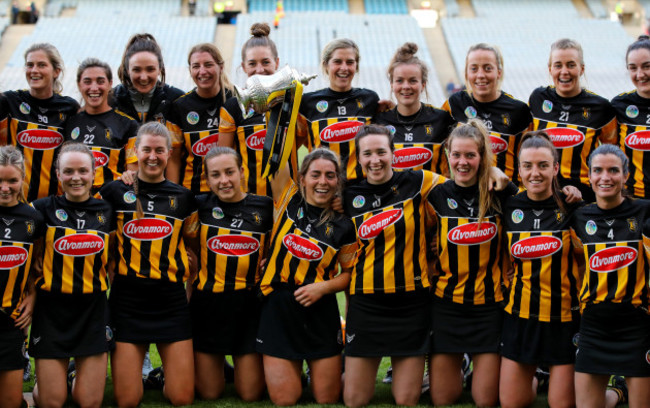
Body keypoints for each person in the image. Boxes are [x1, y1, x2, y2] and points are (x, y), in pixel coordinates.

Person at [98, 122, 197, 407]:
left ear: (168, 153)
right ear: (134, 152)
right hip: (127, 300)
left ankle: (160, 377)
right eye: (146, 150)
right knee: (127, 401)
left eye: (159, 150)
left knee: (181, 398)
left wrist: (190, 282)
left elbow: (193, 248)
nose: (152, 157)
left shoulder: (183, 197)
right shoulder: (113, 192)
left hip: (171, 300)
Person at [256, 148, 357, 405]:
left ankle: (337, 360)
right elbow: (278, 144)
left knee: (326, 398)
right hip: (279, 307)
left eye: (330, 176)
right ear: (302, 178)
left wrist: (322, 288)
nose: (323, 181)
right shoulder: (288, 197)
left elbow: (348, 275)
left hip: (319, 307)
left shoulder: (345, 225)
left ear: (338, 181)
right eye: (316, 175)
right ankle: (293, 371)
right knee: (285, 399)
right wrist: (280, 107)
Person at [427, 120, 517, 407]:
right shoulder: (435, 195)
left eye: (471, 155)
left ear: (483, 157)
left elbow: (536, 206)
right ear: (447, 155)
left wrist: (504, 178)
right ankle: (461, 364)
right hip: (446, 305)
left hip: (489, 307)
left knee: (484, 400)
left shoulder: (501, 194)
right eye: (456, 155)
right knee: (443, 398)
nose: (462, 162)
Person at [499, 131, 582, 408]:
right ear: (518, 169)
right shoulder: (507, 204)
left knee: (562, 404)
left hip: (563, 319)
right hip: (520, 316)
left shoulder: (573, 208)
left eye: (543, 165)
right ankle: (538, 375)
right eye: (528, 166)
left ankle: (615, 389)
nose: (535, 173)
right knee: (512, 402)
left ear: (556, 168)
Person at [30, 142, 113, 408]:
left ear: (94, 172)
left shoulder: (108, 211)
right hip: (52, 310)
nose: (76, 177)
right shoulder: (39, 209)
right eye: (68, 171)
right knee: (52, 403)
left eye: (82, 170)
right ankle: (46, 382)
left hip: (92, 310)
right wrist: (31, 294)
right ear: (57, 174)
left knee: (88, 403)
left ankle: (75, 372)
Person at [186, 146, 271, 401]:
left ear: (242, 172)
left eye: (229, 172)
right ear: (207, 179)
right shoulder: (197, 205)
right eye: (216, 175)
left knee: (250, 393)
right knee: (210, 393)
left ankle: (250, 367)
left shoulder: (265, 207)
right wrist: (129, 179)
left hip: (249, 305)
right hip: (208, 305)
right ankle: (219, 366)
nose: (224, 180)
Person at [571, 144, 650, 408]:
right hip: (594, 323)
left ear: (625, 176)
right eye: (598, 171)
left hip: (636, 322)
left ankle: (623, 389)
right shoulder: (579, 215)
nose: (606, 177)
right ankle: (617, 392)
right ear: (589, 176)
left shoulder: (644, 211)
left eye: (614, 170)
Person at [529, 38, 617, 202]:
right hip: (542, 194)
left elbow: (612, 156)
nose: (564, 71)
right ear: (550, 69)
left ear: (581, 68)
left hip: (584, 198)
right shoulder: (537, 99)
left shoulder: (601, 108)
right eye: (558, 65)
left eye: (571, 65)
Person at [0, 43, 80, 202]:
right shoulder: (9, 102)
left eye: (41, 65)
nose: (34, 70)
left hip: (54, 204)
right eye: (30, 65)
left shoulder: (69, 108)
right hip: (13, 201)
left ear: (56, 71)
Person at [443, 43, 532, 183]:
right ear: (466, 73)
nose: (480, 75)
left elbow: (531, 158)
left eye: (488, 68)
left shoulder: (518, 110)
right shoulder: (454, 104)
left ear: (499, 72)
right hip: (466, 198)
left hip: (506, 197)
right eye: (474, 69)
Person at [298, 38, 380, 182]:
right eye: (337, 62)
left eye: (350, 62)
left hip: (363, 190)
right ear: (326, 65)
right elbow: (297, 141)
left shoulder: (370, 99)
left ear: (357, 66)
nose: (344, 68)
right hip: (324, 188)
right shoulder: (307, 102)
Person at [0, 146, 44, 408]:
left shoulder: (33, 218)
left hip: (11, 321)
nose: (5, 187)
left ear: (23, 179)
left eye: (12, 180)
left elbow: (36, 268)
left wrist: (33, 296)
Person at [375, 42, 455, 174]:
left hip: (434, 194)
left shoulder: (441, 118)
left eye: (413, 81)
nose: (406, 86)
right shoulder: (379, 122)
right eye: (399, 80)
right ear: (391, 84)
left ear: (423, 85)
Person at [219, 23, 279, 196]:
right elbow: (224, 160)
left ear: (277, 63)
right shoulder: (232, 107)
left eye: (266, 62)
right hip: (247, 202)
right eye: (252, 63)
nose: (259, 69)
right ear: (244, 67)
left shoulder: (292, 102)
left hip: (288, 202)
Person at [167, 43, 234, 193]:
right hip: (193, 193)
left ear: (221, 67)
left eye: (208, 65)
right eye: (196, 66)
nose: (202, 71)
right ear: (190, 70)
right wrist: (174, 195)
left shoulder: (235, 101)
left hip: (231, 191)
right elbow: (174, 159)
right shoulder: (179, 107)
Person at [64, 58, 138, 192]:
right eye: (87, 81)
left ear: (110, 84)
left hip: (110, 204)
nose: (94, 87)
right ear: (79, 84)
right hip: (73, 205)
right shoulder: (69, 122)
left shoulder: (128, 125)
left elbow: (134, 175)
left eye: (100, 81)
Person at [111, 33, 184, 126]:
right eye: (137, 70)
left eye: (150, 69)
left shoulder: (178, 100)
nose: (144, 77)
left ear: (159, 69)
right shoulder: (110, 101)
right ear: (127, 70)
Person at [612, 35, 650, 199]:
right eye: (633, 68)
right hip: (632, 202)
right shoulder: (619, 106)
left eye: (647, 66)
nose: (640, 74)